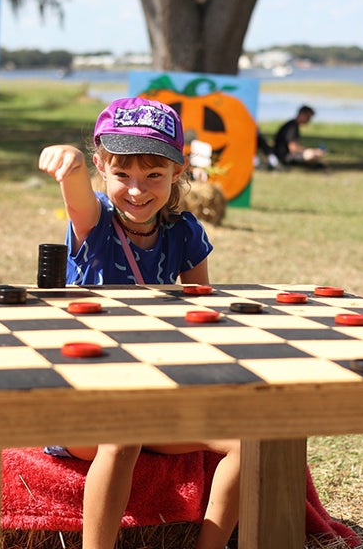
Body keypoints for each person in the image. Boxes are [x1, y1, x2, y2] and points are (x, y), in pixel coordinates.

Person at [38, 97, 240, 549]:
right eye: (122, 173)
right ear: (101, 167)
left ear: (177, 171)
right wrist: (70, 166)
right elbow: (77, 197)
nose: (136, 189)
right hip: (83, 395)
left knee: (249, 442)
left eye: (153, 175)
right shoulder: (94, 221)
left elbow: (201, 314)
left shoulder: (185, 232)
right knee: (122, 434)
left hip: (153, 392)